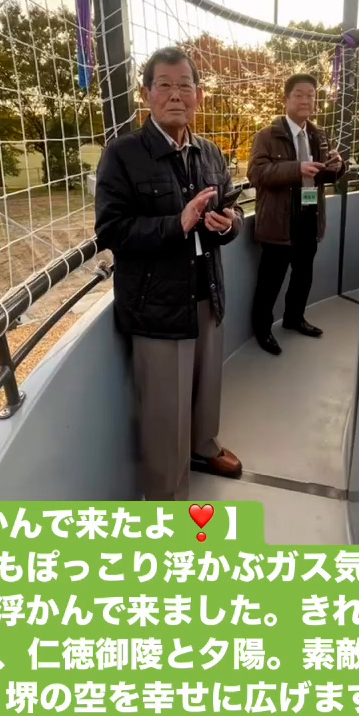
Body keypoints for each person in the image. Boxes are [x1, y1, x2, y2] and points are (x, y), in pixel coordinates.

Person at [94, 46, 243, 501]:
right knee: (165, 411)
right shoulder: (123, 154)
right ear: (146, 94)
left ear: (198, 95)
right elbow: (111, 230)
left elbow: (232, 207)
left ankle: (204, 446)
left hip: (207, 290)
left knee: (206, 385)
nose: (176, 94)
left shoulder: (210, 153)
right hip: (157, 304)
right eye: (164, 85)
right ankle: (167, 498)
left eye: (185, 85)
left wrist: (228, 223)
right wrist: (177, 223)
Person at [248, 73, 346, 356]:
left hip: (310, 214)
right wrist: (296, 168)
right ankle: (263, 329)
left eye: (311, 96)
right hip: (280, 220)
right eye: (299, 95)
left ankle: (294, 318)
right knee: (271, 280)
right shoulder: (267, 135)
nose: (306, 100)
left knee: (304, 274)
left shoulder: (318, 134)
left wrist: (337, 166)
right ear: (286, 99)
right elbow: (257, 174)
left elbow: (324, 175)